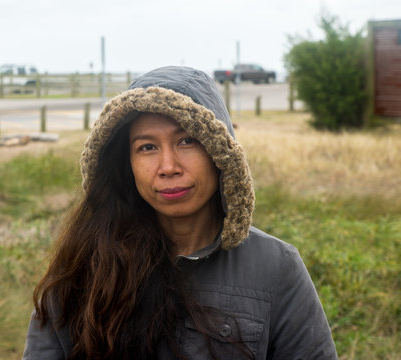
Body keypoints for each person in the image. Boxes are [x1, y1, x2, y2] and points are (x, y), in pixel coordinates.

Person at [22, 66, 338, 359]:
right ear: (125, 163)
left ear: (219, 153)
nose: (168, 167)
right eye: (147, 147)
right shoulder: (82, 265)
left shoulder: (276, 267)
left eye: (187, 141)